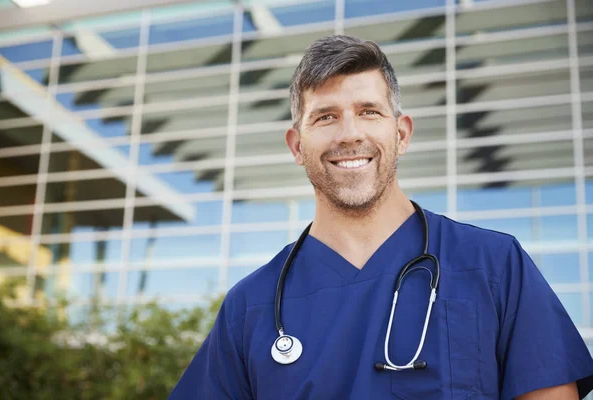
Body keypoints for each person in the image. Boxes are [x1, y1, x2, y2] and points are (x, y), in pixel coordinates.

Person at [168, 35, 593, 399]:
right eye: (326, 116)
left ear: (402, 133)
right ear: (297, 146)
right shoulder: (251, 306)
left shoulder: (494, 265)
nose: (350, 133)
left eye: (369, 111)